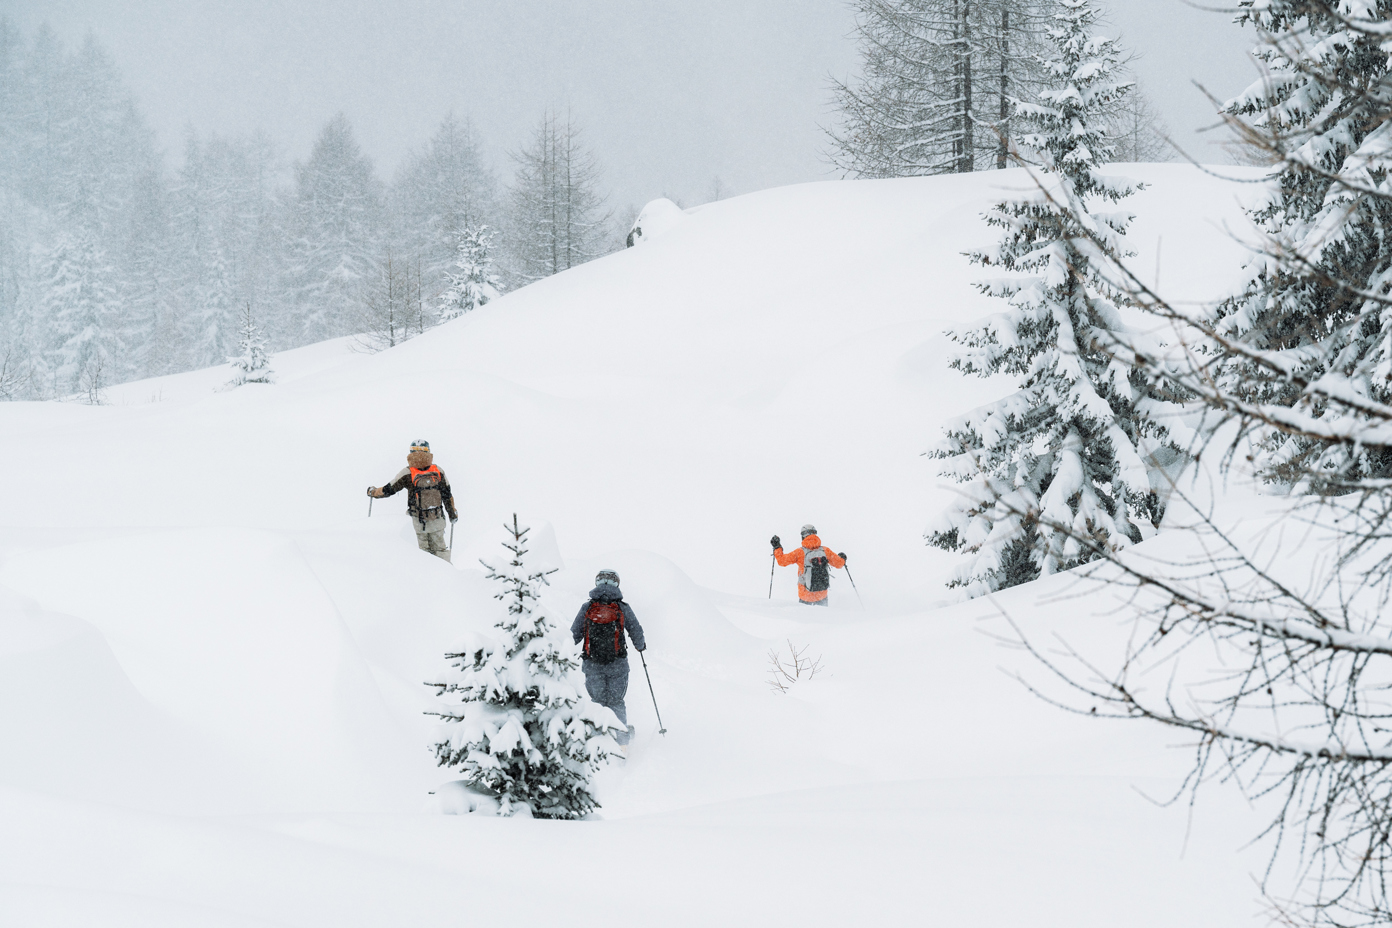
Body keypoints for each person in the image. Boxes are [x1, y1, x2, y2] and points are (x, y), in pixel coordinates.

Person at [571, 569, 646, 746]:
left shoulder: (588, 607)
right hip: (617, 664)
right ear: (617, 584)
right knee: (616, 702)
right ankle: (621, 743)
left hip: (592, 664)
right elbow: (636, 630)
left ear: (597, 583)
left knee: (597, 702)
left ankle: (599, 742)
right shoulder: (622, 607)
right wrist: (640, 646)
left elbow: (574, 634)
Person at [367, 440, 458, 562]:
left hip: (417, 522)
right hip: (437, 519)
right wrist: (452, 514)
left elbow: (388, 489)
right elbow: (447, 495)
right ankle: (446, 576)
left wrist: (373, 492)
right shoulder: (438, 471)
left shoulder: (408, 473)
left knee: (421, 555)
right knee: (441, 552)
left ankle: (421, 578)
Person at [772, 524, 847, 606]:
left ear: (803, 536)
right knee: (823, 618)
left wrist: (777, 547)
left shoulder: (800, 552)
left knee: (805, 618)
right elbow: (839, 564)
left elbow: (782, 561)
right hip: (822, 596)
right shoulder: (825, 551)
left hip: (805, 597)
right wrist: (842, 558)